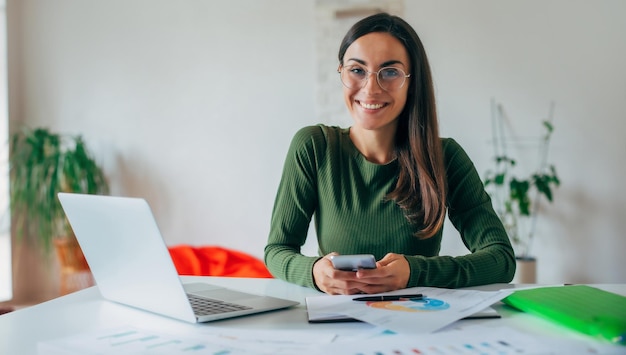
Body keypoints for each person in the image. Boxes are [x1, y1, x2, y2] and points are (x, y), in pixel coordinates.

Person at [264, 13, 515, 295]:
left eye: (390, 72)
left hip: (419, 324)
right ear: (341, 73)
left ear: (412, 81)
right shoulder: (313, 146)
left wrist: (415, 272)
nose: (371, 88)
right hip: (336, 324)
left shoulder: (446, 157)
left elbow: (501, 260)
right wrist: (313, 272)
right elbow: (277, 250)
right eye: (357, 70)